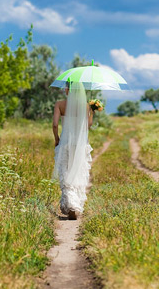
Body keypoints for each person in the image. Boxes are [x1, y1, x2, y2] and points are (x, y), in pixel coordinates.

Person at [52, 81, 94, 220]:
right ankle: (75, 204)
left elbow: (54, 124)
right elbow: (88, 125)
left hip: (65, 142)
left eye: (66, 87)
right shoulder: (85, 105)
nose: (65, 89)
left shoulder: (60, 104)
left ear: (69, 89)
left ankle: (71, 204)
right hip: (80, 144)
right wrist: (92, 111)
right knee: (77, 171)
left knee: (65, 171)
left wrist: (57, 139)